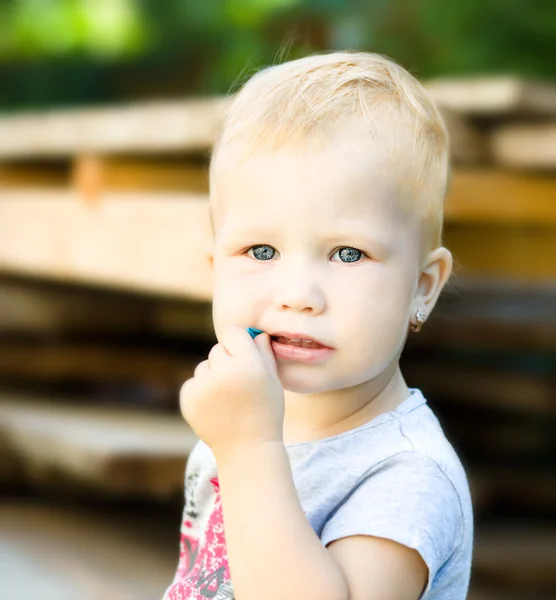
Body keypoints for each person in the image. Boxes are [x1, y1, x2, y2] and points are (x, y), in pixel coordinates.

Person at [163, 51, 473, 600]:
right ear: (215, 271)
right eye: (261, 250)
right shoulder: (242, 423)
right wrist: (244, 442)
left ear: (423, 286)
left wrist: (247, 451)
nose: (298, 296)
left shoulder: (407, 475)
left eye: (348, 254)